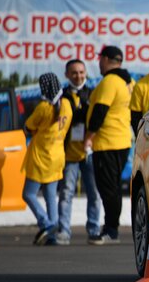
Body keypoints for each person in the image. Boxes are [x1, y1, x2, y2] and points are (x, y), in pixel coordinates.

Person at [85, 45, 134, 244]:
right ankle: (111, 228)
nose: (99, 63)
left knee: (108, 189)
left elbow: (100, 112)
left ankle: (111, 230)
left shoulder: (110, 81)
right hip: (121, 141)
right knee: (112, 187)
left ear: (105, 59)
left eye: (100, 59)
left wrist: (88, 136)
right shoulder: (127, 81)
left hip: (107, 142)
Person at [55, 59, 102, 245]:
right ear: (67, 74)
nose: (78, 76)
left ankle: (93, 229)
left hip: (89, 152)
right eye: (74, 72)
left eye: (81, 72)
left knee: (94, 193)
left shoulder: (93, 94)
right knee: (66, 193)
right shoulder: (60, 96)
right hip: (68, 154)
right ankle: (64, 231)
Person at [22, 72, 72, 245]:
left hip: (40, 157)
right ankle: (52, 235)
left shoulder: (43, 107)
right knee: (51, 196)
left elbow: (29, 125)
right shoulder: (66, 104)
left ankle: (46, 223)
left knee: (28, 194)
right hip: (57, 156)